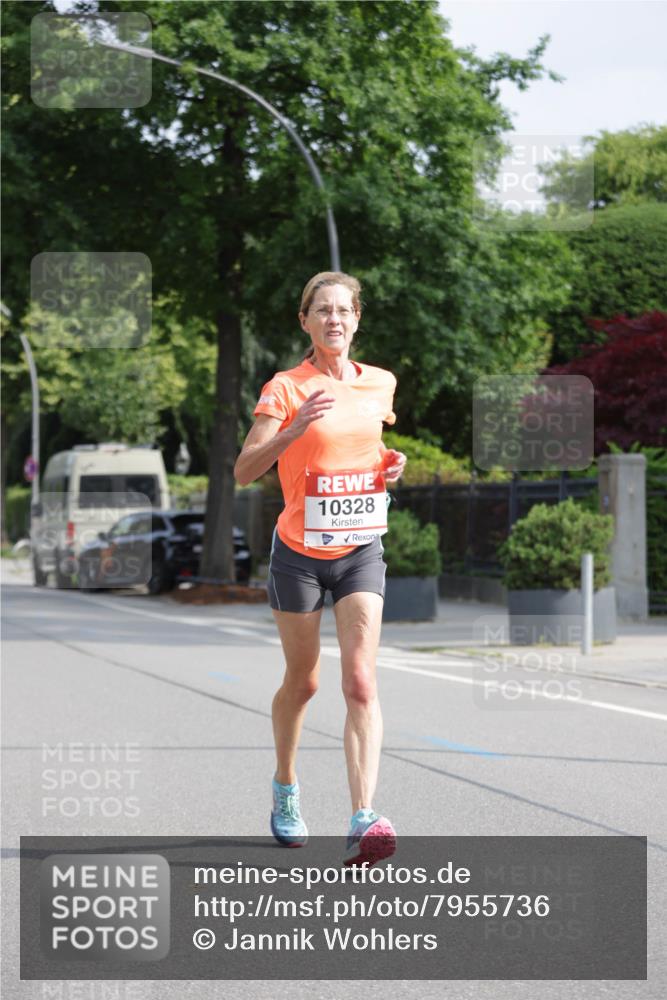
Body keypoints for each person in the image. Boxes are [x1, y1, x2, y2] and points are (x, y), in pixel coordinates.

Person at [234, 271, 406, 866]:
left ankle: (363, 818)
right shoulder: (284, 388)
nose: (334, 319)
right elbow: (244, 469)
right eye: (322, 311)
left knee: (360, 681)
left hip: (360, 547)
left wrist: (390, 465)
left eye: (344, 310)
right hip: (300, 556)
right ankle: (285, 784)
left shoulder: (379, 384)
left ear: (358, 319)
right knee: (304, 681)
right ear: (304, 321)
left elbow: (363, 454)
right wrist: (297, 426)